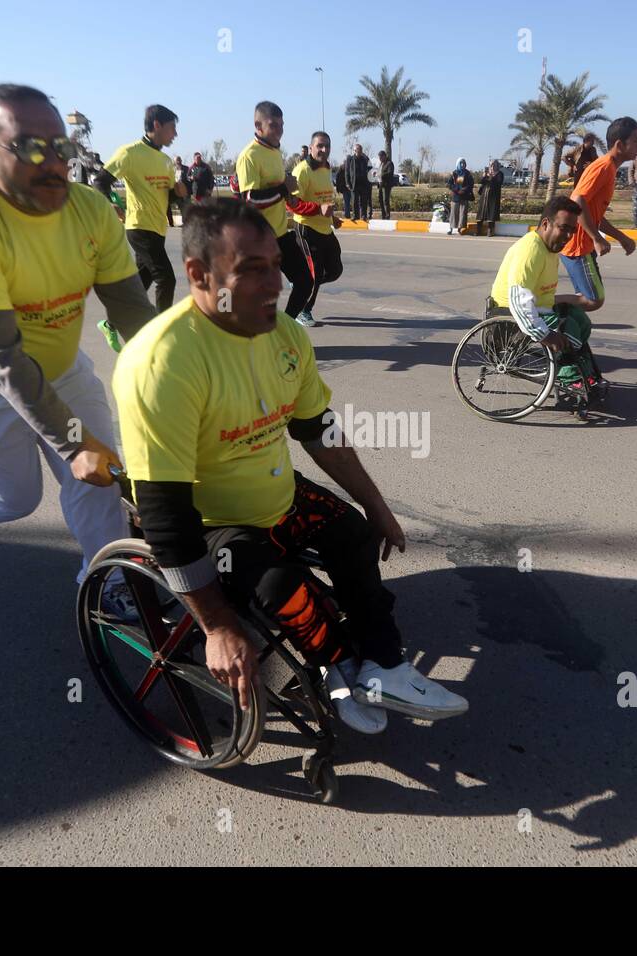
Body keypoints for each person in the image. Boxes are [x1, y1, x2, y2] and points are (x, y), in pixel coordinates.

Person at [112, 197, 468, 729]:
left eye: (276, 265)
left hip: (276, 491)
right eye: (253, 270)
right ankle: (339, 665)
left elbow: (318, 430)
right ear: (198, 274)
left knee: (352, 534)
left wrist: (377, 507)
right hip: (210, 517)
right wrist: (216, 627)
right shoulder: (162, 363)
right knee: (280, 587)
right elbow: (165, 518)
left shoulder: (285, 334)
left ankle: (384, 665)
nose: (275, 284)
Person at [0, 83, 156, 617]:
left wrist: (184, 388)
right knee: (16, 499)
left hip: (61, 367)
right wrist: (73, 445)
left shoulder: (92, 211)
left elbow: (134, 314)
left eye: (61, 148)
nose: (51, 163)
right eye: (28, 147)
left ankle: (105, 579)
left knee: (100, 473)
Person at [492, 196, 607, 412]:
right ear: (545, 224)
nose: (568, 236)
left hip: (540, 307)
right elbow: (519, 299)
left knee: (580, 321)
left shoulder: (550, 248)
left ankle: (587, 374)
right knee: (568, 330)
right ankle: (570, 377)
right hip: (511, 313)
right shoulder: (531, 250)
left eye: (572, 230)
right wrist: (544, 334)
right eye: (564, 228)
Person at [97, 104, 188, 313]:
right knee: (166, 280)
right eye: (172, 128)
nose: (176, 134)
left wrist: (179, 193)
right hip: (139, 227)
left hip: (158, 228)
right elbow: (101, 181)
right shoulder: (129, 153)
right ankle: (160, 331)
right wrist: (109, 204)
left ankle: (113, 321)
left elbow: (167, 196)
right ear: (157, 125)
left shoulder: (166, 160)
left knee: (142, 281)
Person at [235, 100, 315, 321]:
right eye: (273, 125)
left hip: (280, 235)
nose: (280, 131)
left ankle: (285, 327)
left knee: (305, 281)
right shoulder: (249, 155)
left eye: (282, 125)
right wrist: (282, 189)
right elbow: (250, 200)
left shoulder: (274, 152)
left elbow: (276, 192)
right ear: (258, 126)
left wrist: (289, 192)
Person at [560, 116, 637, 315]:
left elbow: (594, 214)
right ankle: (537, 306)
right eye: (636, 140)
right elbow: (577, 201)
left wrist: (622, 238)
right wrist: (596, 238)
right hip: (577, 246)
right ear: (620, 144)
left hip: (582, 244)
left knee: (585, 299)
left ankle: (565, 334)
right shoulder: (603, 167)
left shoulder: (610, 168)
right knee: (593, 299)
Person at [290, 131, 344, 328]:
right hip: (306, 229)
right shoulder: (302, 171)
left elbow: (323, 200)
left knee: (335, 270)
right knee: (314, 274)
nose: (323, 150)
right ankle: (303, 310)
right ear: (310, 147)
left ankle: (300, 282)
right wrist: (318, 210)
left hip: (324, 229)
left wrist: (332, 218)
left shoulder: (326, 168)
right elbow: (292, 204)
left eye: (327, 146)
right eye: (320, 146)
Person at [476, 160, 503, 236]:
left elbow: (499, 183)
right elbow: (482, 182)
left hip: (493, 198)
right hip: (484, 197)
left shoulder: (499, 174)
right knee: (481, 214)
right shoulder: (487, 174)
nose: (492, 166)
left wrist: (492, 177)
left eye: (494, 165)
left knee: (491, 214)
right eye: (491, 165)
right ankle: (478, 231)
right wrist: (485, 176)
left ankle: (490, 231)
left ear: (497, 165)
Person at [344, 144, 371, 221]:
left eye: (361, 150)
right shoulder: (350, 159)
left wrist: (369, 181)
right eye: (358, 150)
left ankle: (364, 215)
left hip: (363, 183)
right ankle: (355, 216)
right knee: (354, 201)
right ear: (355, 150)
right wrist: (347, 183)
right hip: (354, 184)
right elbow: (347, 172)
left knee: (364, 201)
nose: (360, 151)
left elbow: (370, 170)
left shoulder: (365, 159)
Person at [447, 157, 474, 235]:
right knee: (453, 214)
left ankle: (460, 229)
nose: (462, 165)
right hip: (455, 197)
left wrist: (464, 190)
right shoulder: (454, 173)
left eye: (464, 163)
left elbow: (471, 184)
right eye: (461, 163)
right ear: (458, 164)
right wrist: (457, 190)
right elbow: (449, 184)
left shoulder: (468, 174)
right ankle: (451, 229)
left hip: (464, 197)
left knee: (462, 214)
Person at [376, 149, 395, 220]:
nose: (380, 159)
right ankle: (383, 215)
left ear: (384, 156)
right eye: (379, 158)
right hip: (380, 185)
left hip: (386, 185)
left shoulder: (389, 163)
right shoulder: (381, 164)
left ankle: (387, 216)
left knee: (385, 200)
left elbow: (390, 173)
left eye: (381, 157)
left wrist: (381, 174)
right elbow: (378, 172)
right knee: (380, 200)